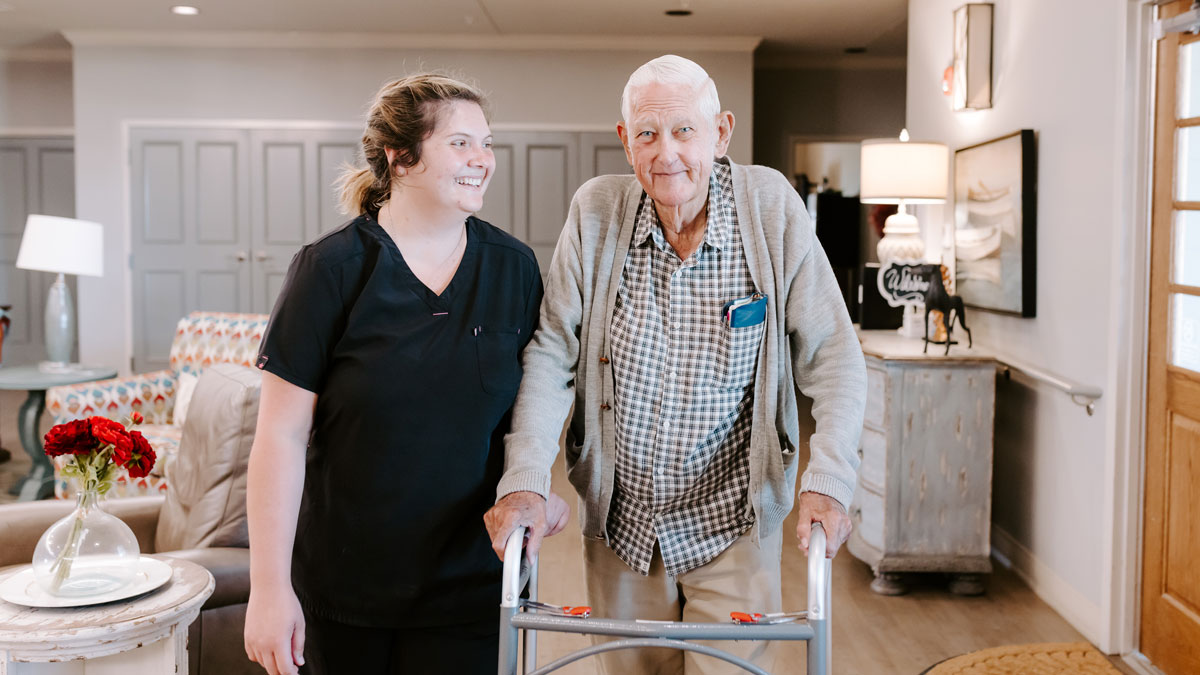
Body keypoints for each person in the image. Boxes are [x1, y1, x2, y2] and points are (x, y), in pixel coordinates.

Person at [483, 55, 866, 674]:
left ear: (721, 132)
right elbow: (553, 349)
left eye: (685, 130)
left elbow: (834, 356)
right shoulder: (596, 211)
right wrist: (525, 478)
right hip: (622, 523)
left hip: (731, 522)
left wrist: (829, 480)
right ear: (624, 139)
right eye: (647, 133)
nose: (666, 153)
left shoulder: (768, 208)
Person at [243, 74, 568, 675]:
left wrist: (536, 486)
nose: (483, 161)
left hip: (472, 587)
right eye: (461, 144)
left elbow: (536, 400)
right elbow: (279, 437)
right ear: (401, 156)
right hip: (345, 588)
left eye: (488, 144)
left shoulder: (514, 268)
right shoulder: (330, 270)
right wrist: (268, 590)